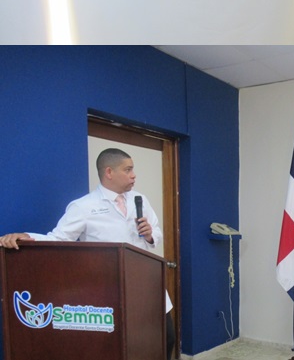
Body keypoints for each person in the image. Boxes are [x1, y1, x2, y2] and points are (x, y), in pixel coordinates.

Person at [0, 148, 175, 360]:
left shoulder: (140, 200)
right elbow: (59, 238)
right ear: (109, 172)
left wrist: (149, 235)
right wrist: (26, 236)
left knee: (166, 338)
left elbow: (157, 234)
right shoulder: (84, 206)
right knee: (125, 346)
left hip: (147, 285)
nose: (133, 175)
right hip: (112, 290)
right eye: (128, 170)